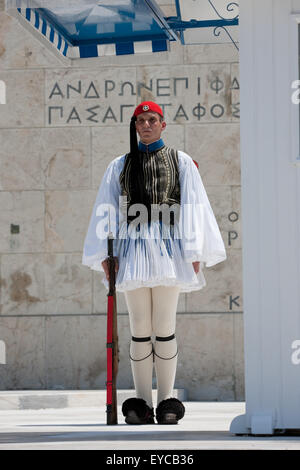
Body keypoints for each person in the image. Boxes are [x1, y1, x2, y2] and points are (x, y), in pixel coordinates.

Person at [82, 101, 226, 425]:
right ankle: (142, 401)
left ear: (163, 124)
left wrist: (194, 250)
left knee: (164, 326)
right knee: (139, 329)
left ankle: (167, 401)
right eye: (141, 121)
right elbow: (107, 209)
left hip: (168, 250)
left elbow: (194, 205)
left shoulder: (181, 161)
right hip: (133, 250)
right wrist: (107, 254)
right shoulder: (119, 164)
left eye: (152, 120)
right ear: (135, 126)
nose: (146, 125)